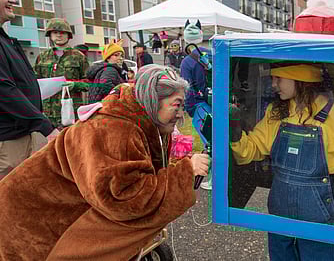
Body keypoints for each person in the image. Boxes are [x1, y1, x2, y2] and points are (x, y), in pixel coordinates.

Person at [0, 64, 210, 260]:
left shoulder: (138, 118)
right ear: (153, 100)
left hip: (51, 204)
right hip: (31, 216)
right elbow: (124, 199)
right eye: (177, 105)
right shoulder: (114, 129)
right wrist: (185, 172)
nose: (181, 113)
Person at [230, 64, 334, 261]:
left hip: (316, 213)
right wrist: (235, 134)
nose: (273, 84)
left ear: (300, 78)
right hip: (279, 209)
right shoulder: (277, 111)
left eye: (278, 78)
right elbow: (253, 148)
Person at [0, 0, 57, 180]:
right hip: (9, 142)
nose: (13, 0)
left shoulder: (6, 40)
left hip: (24, 134)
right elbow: (4, 91)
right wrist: (44, 125)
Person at [35, 18, 90, 130]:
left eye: (62, 33)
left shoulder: (78, 56)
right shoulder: (43, 57)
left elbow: (89, 83)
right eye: (55, 32)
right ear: (50, 35)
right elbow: (34, 80)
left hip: (71, 111)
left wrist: (75, 85)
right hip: (48, 112)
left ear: (68, 35)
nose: (59, 35)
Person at [180, 19, 213, 190]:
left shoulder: (187, 62)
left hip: (200, 106)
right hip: (217, 103)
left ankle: (215, 178)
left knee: (210, 141)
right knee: (217, 138)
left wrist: (190, 109)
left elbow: (186, 87)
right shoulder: (212, 54)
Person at [86, 39, 127, 104]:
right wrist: (119, 97)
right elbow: (105, 85)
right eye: (116, 55)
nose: (120, 58)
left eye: (121, 55)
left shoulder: (104, 68)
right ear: (108, 58)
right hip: (106, 106)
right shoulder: (110, 69)